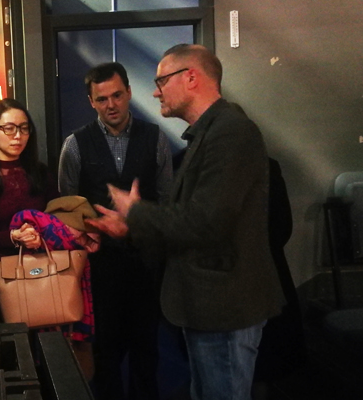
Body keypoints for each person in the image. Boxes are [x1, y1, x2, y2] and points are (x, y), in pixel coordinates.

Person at [88, 44, 286, 400]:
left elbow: (206, 222)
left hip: (225, 308)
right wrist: (130, 228)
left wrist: (136, 213)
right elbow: (187, 221)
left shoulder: (231, 132)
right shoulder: (206, 134)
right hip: (206, 306)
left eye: (161, 81)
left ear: (191, 77)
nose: (156, 91)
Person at [58, 62, 173, 400]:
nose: (111, 105)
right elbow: (66, 209)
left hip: (145, 264)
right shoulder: (75, 145)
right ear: (91, 101)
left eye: (117, 95)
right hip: (98, 269)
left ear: (129, 93)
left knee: (146, 354)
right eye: (102, 98)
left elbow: (168, 202)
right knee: (105, 355)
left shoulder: (155, 138)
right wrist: (89, 230)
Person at [0, 98, 59, 324]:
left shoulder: (40, 172)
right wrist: (13, 237)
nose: (18, 136)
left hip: (42, 268)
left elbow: (57, 217)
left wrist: (40, 235)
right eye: (9, 128)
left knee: (44, 332)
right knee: (4, 337)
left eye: (24, 128)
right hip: (0, 272)